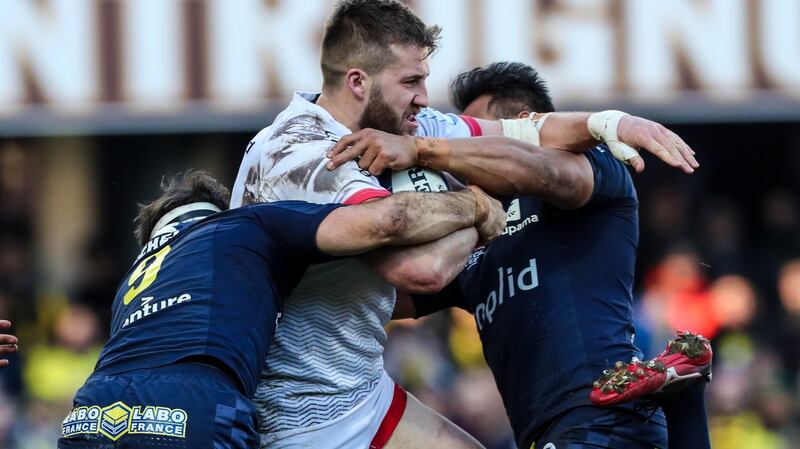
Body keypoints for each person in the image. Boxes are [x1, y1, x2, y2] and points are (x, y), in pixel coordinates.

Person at [231, 1, 697, 447]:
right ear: (357, 82)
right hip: (296, 405)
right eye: (411, 81)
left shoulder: (584, 171)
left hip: (589, 412)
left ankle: (688, 403)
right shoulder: (305, 151)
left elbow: (536, 149)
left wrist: (609, 123)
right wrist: (477, 206)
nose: (423, 99)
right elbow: (419, 277)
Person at [325, 61, 707, 449]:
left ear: (523, 125)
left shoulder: (594, 169)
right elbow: (382, 294)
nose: (461, 151)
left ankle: (686, 401)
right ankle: (687, 404)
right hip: (549, 433)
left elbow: (542, 170)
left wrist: (421, 149)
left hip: (603, 411)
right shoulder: (474, 235)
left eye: (474, 135)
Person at [58, 170, 506, 449]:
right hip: (191, 403)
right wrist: (476, 204)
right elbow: (388, 223)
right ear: (215, 214)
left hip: (90, 410)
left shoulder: (131, 286)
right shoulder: (242, 226)